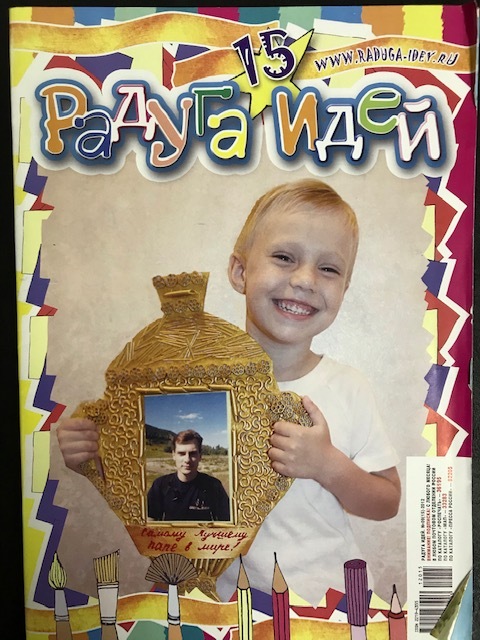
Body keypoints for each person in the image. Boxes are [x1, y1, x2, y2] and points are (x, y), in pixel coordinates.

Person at [57, 178, 400, 605]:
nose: (305, 279)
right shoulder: (181, 385)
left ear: (344, 289)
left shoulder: (348, 387)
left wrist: (327, 465)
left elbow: (387, 501)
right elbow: (138, 481)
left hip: (326, 603)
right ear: (240, 272)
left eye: (329, 268)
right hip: (219, 607)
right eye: (284, 257)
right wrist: (93, 452)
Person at [147, 429, 230, 522]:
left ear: (200, 455)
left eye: (192, 453)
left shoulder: (214, 486)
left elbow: (227, 522)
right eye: (181, 454)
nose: (187, 460)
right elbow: (150, 519)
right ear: (174, 455)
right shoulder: (160, 485)